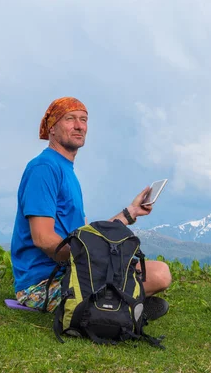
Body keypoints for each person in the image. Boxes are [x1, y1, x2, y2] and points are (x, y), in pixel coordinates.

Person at [10, 96, 172, 318]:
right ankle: (123, 307)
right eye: (70, 119)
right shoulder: (44, 168)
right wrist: (92, 260)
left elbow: (89, 236)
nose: (79, 126)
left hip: (72, 269)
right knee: (156, 276)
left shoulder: (66, 170)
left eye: (83, 120)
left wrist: (130, 213)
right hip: (42, 284)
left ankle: (120, 305)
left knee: (159, 272)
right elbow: (42, 238)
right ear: (52, 128)